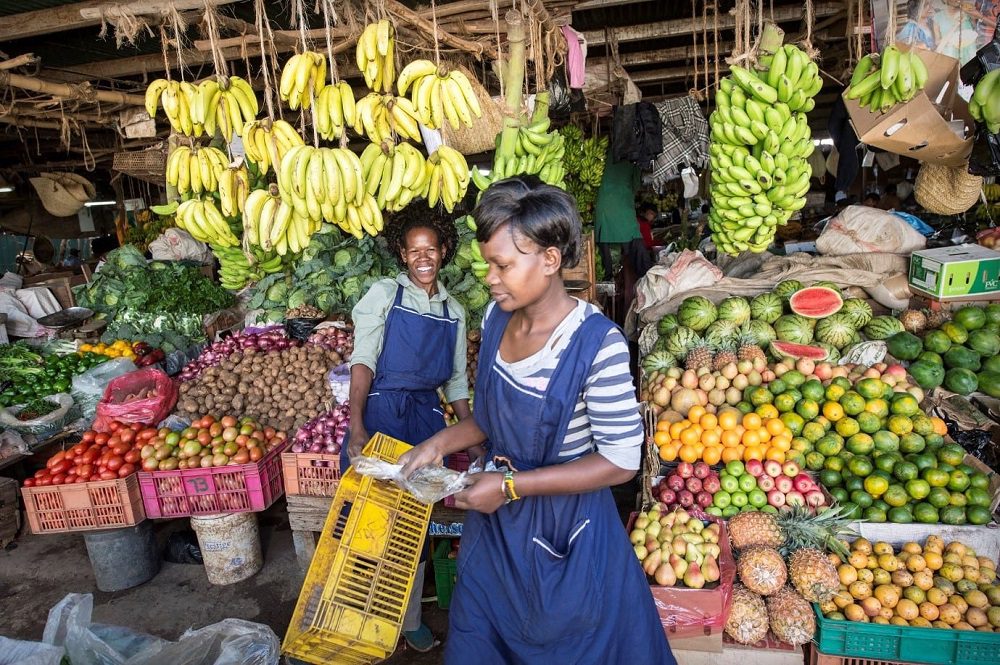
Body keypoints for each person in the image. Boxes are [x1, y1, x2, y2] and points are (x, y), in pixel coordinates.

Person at [398, 176, 675, 665]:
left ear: (550, 260)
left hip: (565, 538)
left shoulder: (598, 345)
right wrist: (437, 445)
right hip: (496, 535)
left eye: (503, 264)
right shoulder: (497, 318)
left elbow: (620, 463)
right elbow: (490, 417)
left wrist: (509, 487)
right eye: (488, 263)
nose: (490, 277)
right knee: (483, 639)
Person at [343, 203, 472, 653]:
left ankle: (409, 619)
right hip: (381, 412)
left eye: (430, 249)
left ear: (443, 251)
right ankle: (356, 620)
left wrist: (472, 435)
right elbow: (363, 361)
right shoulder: (383, 295)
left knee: (412, 528)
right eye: (414, 250)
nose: (423, 258)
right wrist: (357, 424)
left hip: (426, 421)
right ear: (402, 254)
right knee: (369, 523)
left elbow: (455, 381)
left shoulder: (455, 311)